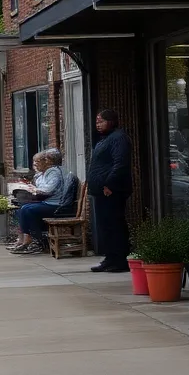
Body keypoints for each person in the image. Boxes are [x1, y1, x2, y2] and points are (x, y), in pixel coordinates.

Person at [86, 108, 133, 273]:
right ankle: (110, 258)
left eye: (101, 121)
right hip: (101, 191)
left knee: (115, 224)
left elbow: (120, 163)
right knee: (105, 226)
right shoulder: (105, 139)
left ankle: (120, 259)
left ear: (111, 121)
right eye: (97, 122)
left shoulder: (118, 138)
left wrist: (109, 184)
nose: (98, 125)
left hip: (112, 191)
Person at [11, 149, 75, 255]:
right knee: (23, 208)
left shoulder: (54, 172)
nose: (36, 164)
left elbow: (48, 189)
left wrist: (34, 190)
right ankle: (27, 239)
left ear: (48, 161)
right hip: (49, 202)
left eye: (39, 161)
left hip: (56, 205)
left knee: (28, 210)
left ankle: (36, 240)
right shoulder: (46, 172)